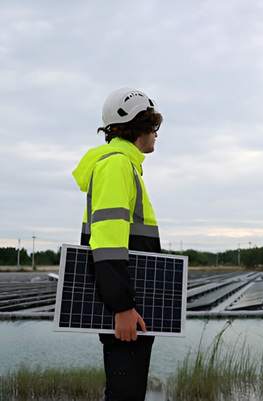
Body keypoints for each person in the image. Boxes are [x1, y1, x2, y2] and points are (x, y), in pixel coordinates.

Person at [72, 87, 163, 400]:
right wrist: (122, 307)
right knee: (125, 394)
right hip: (126, 307)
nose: (156, 135)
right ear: (138, 126)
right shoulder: (117, 166)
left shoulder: (126, 165)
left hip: (132, 302)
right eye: (154, 127)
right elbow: (108, 242)